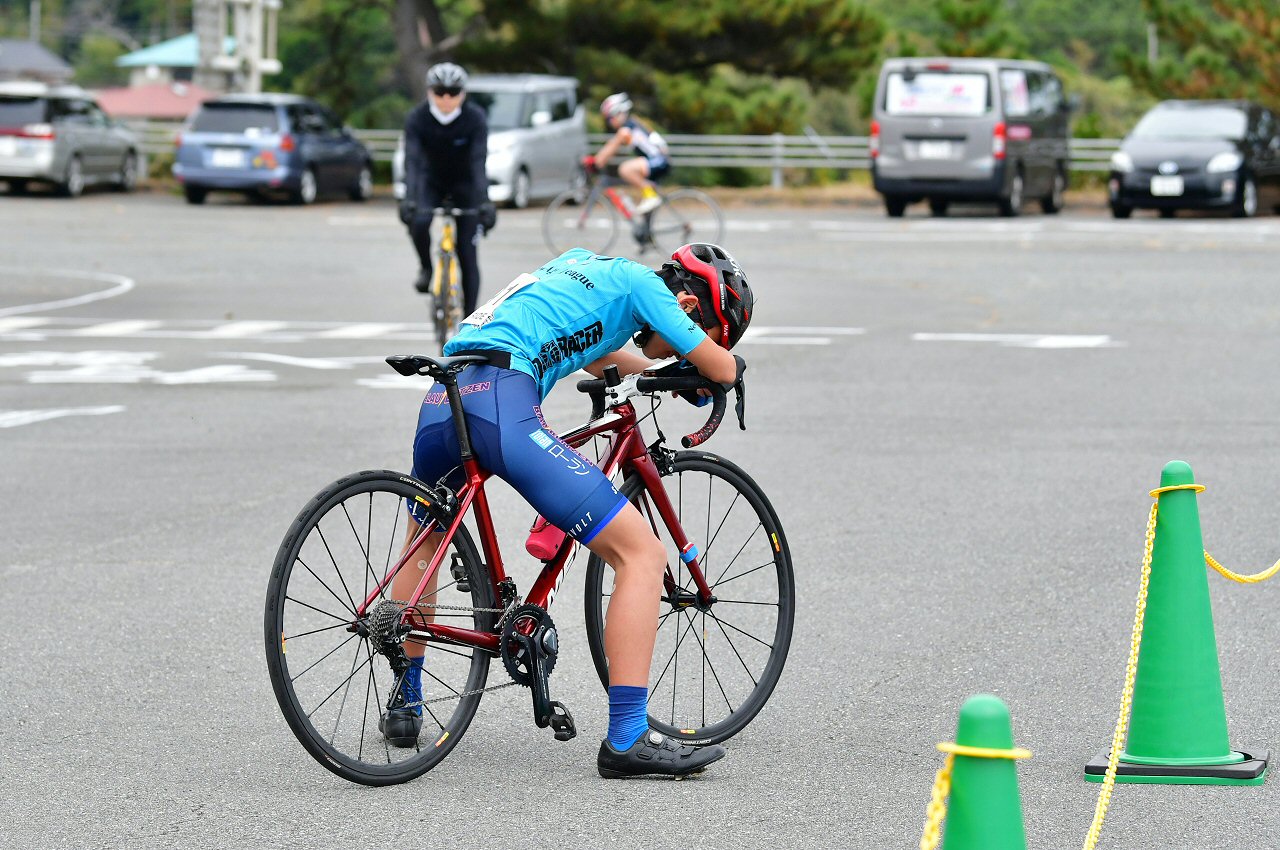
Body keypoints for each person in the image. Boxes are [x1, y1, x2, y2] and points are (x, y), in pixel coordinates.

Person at [385, 242, 753, 779]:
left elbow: (601, 352)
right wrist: (723, 365)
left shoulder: (585, 267)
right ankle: (628, 737)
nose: (681, 348)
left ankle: (406, 697)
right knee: (642, 556)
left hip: (447, 395)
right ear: (691, 309)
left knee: (426, 543)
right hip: (501, 401)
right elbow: (719, 366)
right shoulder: (646, 287)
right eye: (692, 335)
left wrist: (658, 376)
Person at [399, 62, 498, 317]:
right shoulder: (417, 118)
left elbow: (478, 161)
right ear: (430, 92)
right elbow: (412, 160)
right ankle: (426, 268)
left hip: (464, 183)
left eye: (453, 93)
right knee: (419, 221)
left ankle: (469, 321)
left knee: (467, 252)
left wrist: (484, 201)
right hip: (430, 181)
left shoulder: (474, 117)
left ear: (462, 94)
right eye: (439, 92)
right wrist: (409, 197)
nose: (446, 99)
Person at [584, 92, 670, 215]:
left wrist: (596, 161)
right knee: (644, 207)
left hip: (658, 160)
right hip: (658, 160)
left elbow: (611, 147)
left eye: (609, 118)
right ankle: (645, 228)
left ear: (617, 113)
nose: (609, 123)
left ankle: (650, 195)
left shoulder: (625, 129)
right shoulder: (632, 124)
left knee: (625, 169)